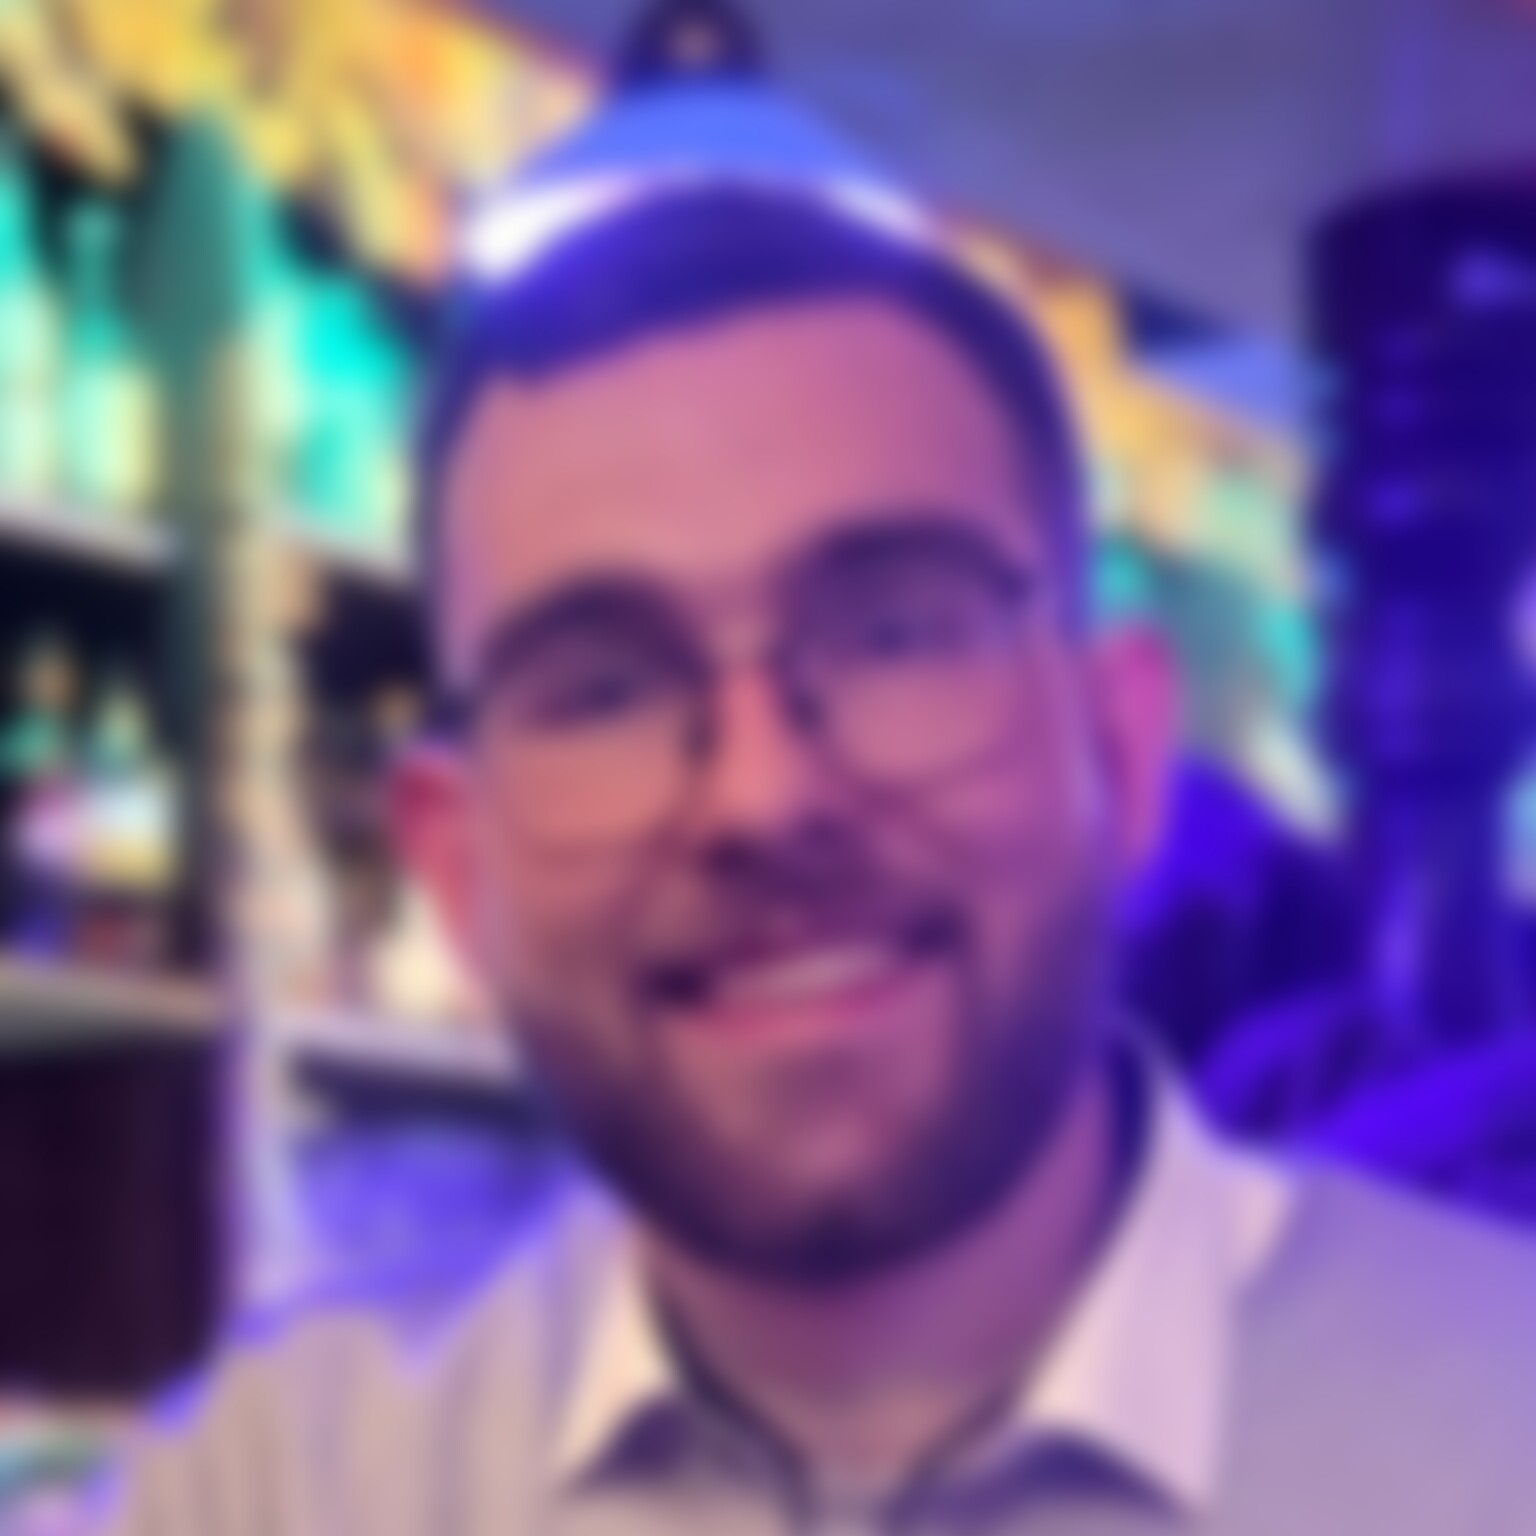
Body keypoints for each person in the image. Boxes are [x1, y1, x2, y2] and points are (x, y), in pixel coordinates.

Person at [83, 45, 1536, 1536]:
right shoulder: (294, 1483)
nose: (763, 798)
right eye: (604, 689)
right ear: (456, 872)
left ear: (1121, 747)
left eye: (896, 632)